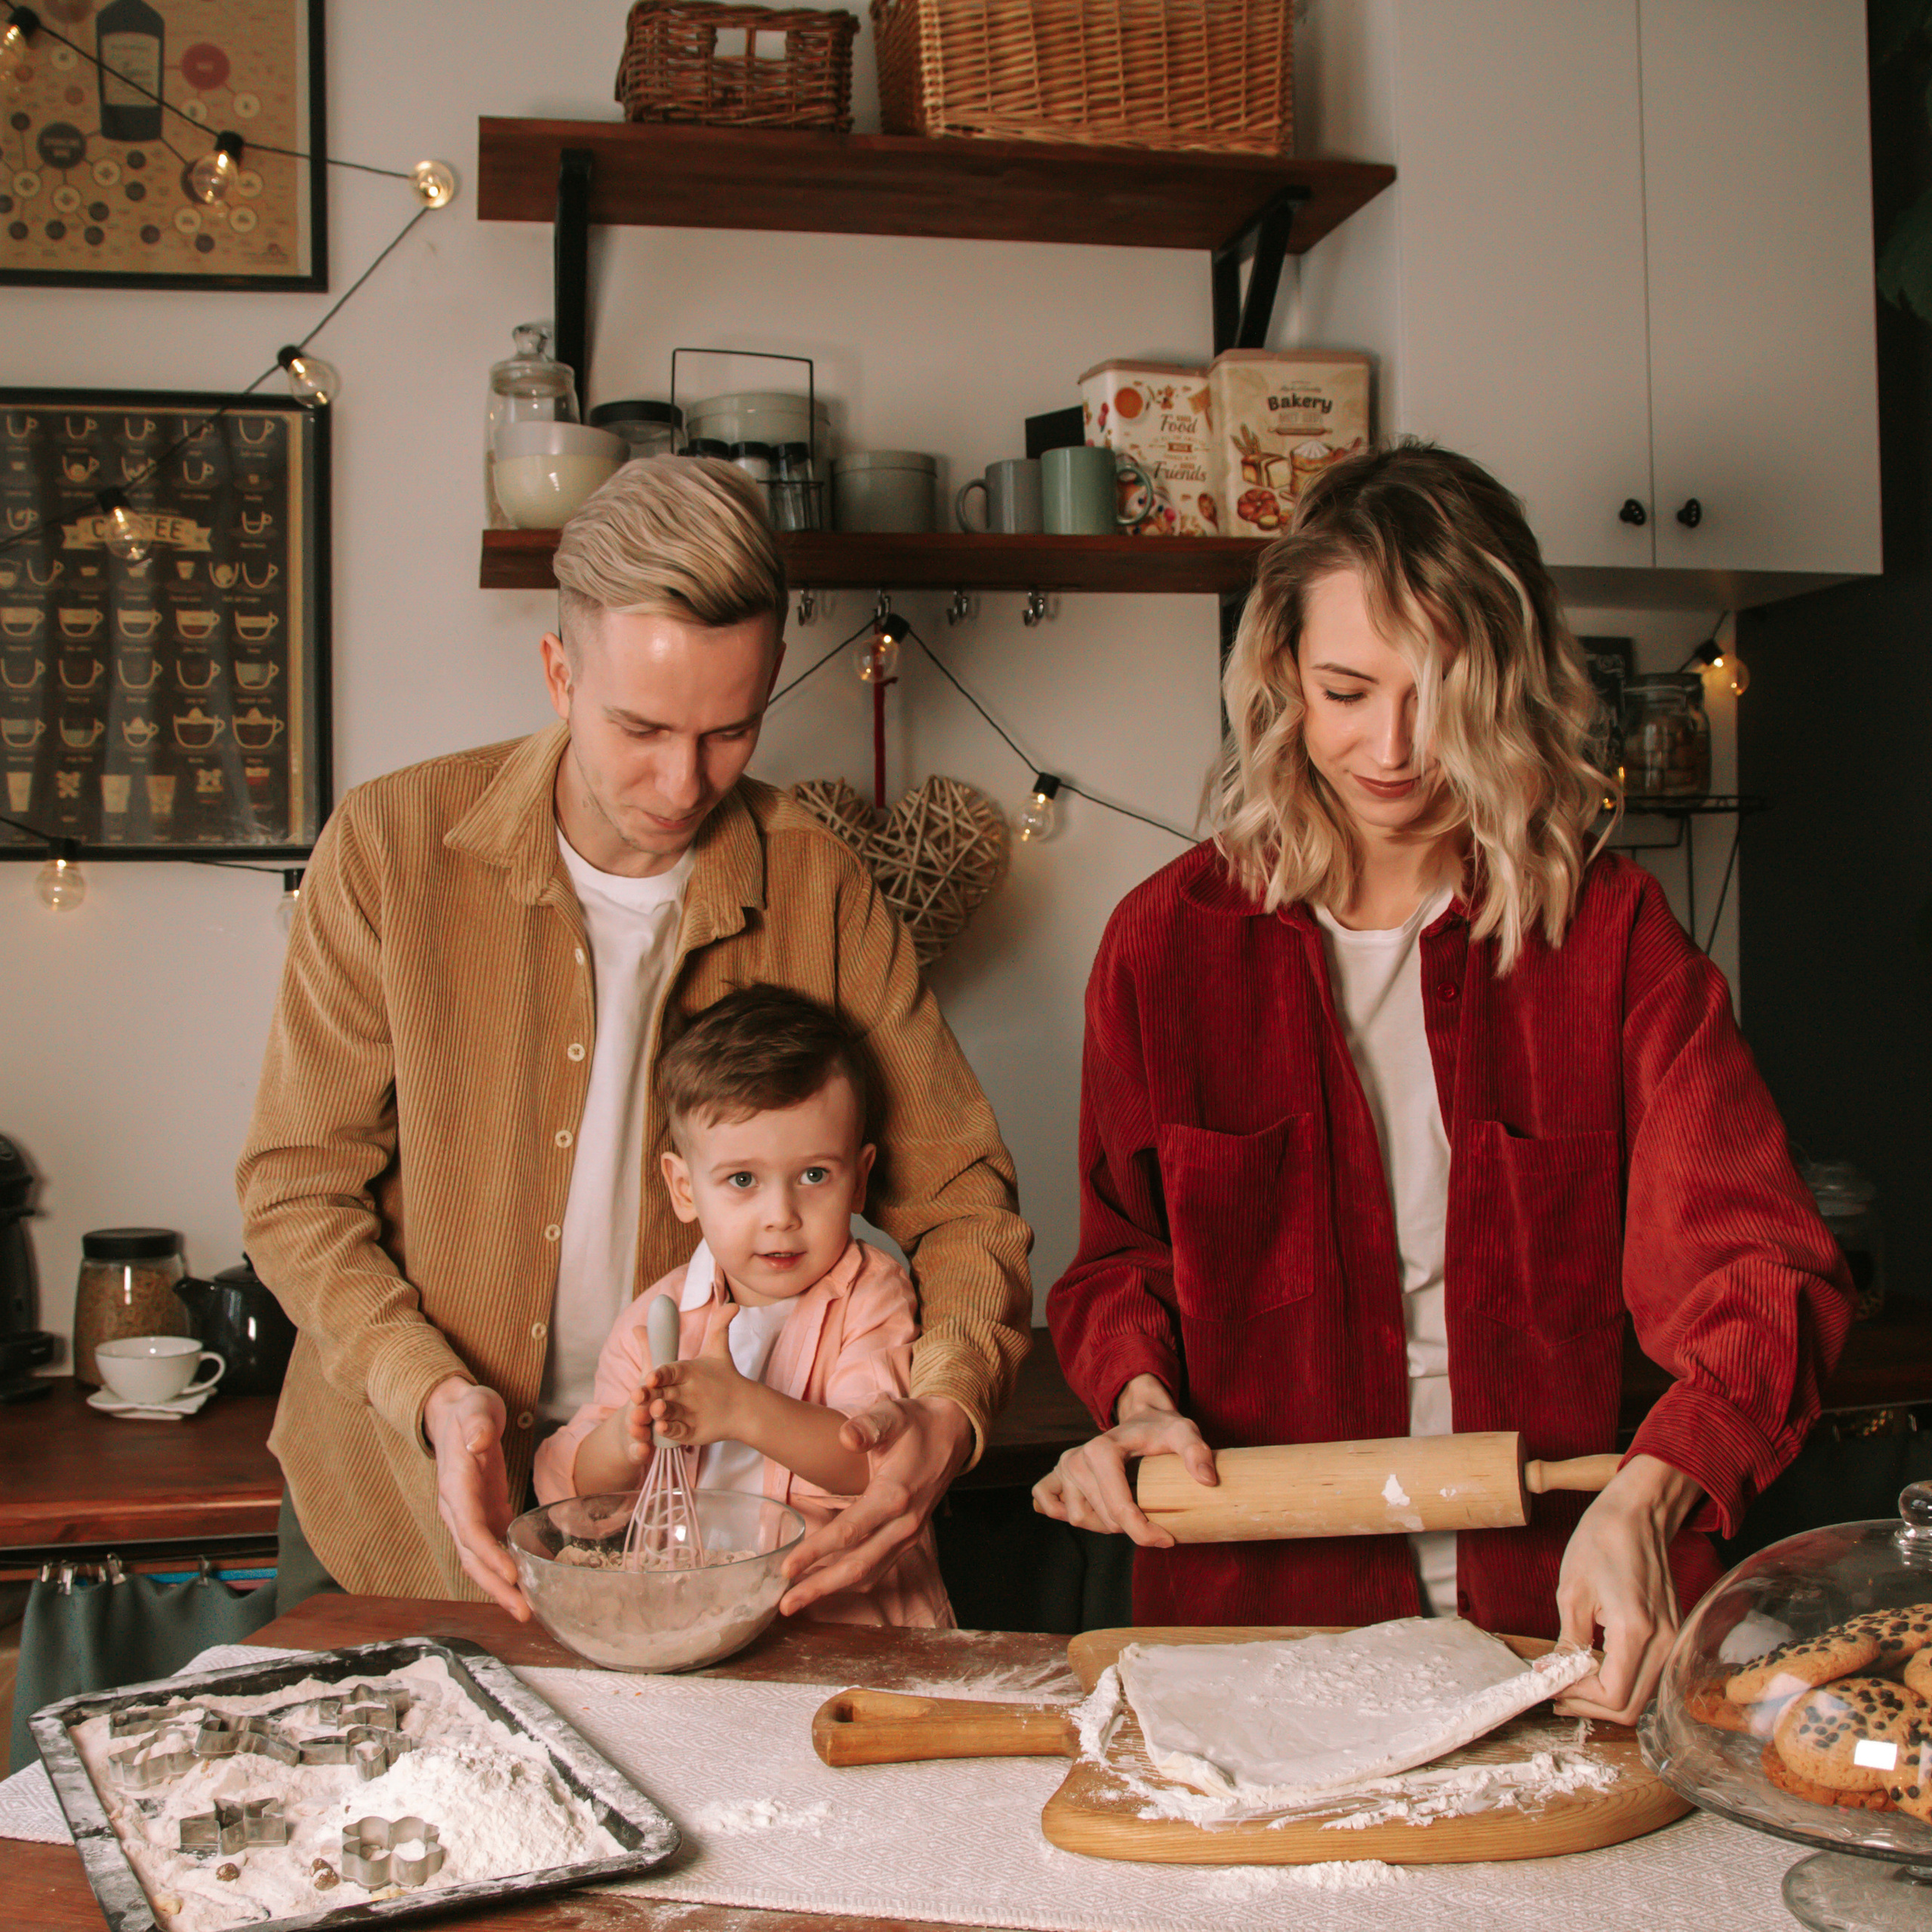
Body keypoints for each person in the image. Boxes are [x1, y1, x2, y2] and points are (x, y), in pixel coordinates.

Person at [1033, 441, 1852, 1725]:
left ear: (1514, 685)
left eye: (1443, 692)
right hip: (1261, 1639)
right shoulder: (1165, 947)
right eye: (1348, 690)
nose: (1396, 748)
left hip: (1571, 1630)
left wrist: (1648, 1498)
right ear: (1282, 679)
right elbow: (1118, 1263)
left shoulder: (1615, 938)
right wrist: (1138, 1404)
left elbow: (1763, 1278)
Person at [237, 455, 1030, 1620]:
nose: (682, 781)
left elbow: (962, 1199)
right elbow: (297, 1189)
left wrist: (949, 1412)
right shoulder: (387, 848)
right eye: (642, 727)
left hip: (710, 1542)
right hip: (396, 1507)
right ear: (559, 673)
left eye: (730, 731)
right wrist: (433, 1393)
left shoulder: (820, 884)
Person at [534, 984, 952, 1626]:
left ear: (860, 1177)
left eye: (814, 1176)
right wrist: (629, 1435)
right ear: (684, 1188)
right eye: (742, 1181)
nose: (780, 1217)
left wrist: (744, 1409)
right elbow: (582, 1489)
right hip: (692, 1629)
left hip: (847, 1632)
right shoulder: (657, 1318)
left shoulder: (873, 1294)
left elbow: (872, 1465)